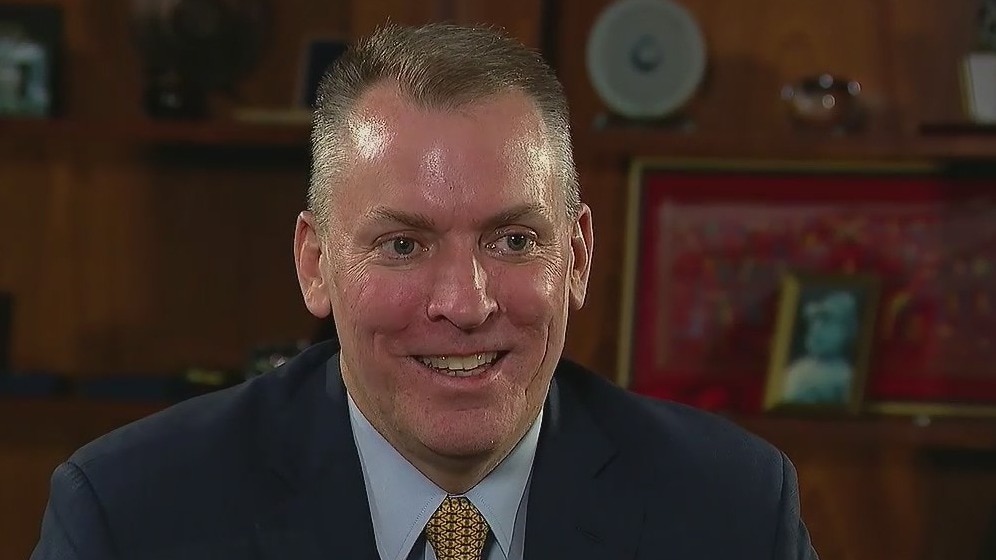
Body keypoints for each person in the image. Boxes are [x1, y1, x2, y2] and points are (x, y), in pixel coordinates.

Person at [31, 23, 818, 560]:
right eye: (403, 245)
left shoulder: (733, 512)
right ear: (315, 264)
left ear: (577, 257)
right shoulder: (130, 517)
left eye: (513, 240)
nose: (466, 304)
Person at [782, 291, 859, 405]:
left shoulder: (845, 377)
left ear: (846, 332)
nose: (816, 330)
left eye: (827, 323)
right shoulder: (795, 370)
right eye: (813, 323)